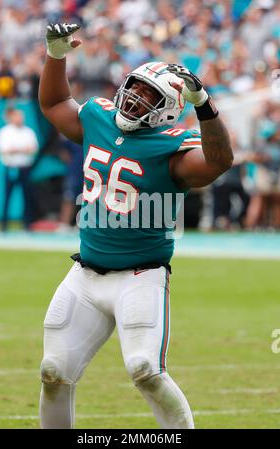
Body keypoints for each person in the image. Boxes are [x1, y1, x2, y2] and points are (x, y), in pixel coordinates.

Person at [38, 23, 233, 429]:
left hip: (141, 276)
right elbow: (56, 104)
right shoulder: (99, 118)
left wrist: (204, 104)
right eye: (135, 86)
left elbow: (217, 163)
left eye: (149, 95)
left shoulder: (172, 146)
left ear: (167, 109)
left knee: (145, 369)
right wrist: (56, 56)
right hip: (85, 274)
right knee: (53, 371)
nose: (135, 98)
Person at [0, 107, 38, 231]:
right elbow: (5, 150)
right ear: (11, 117)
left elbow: (33, 149)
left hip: (25, 167)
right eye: (17, 116)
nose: (20, 119)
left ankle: (27, 224)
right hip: (11, 167)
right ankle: (3, 224)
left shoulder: (28, 132)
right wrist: (22, 150)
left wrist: (17, 150)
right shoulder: (5, 132)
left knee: (27, 196)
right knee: (7, 196)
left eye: (21, 116)